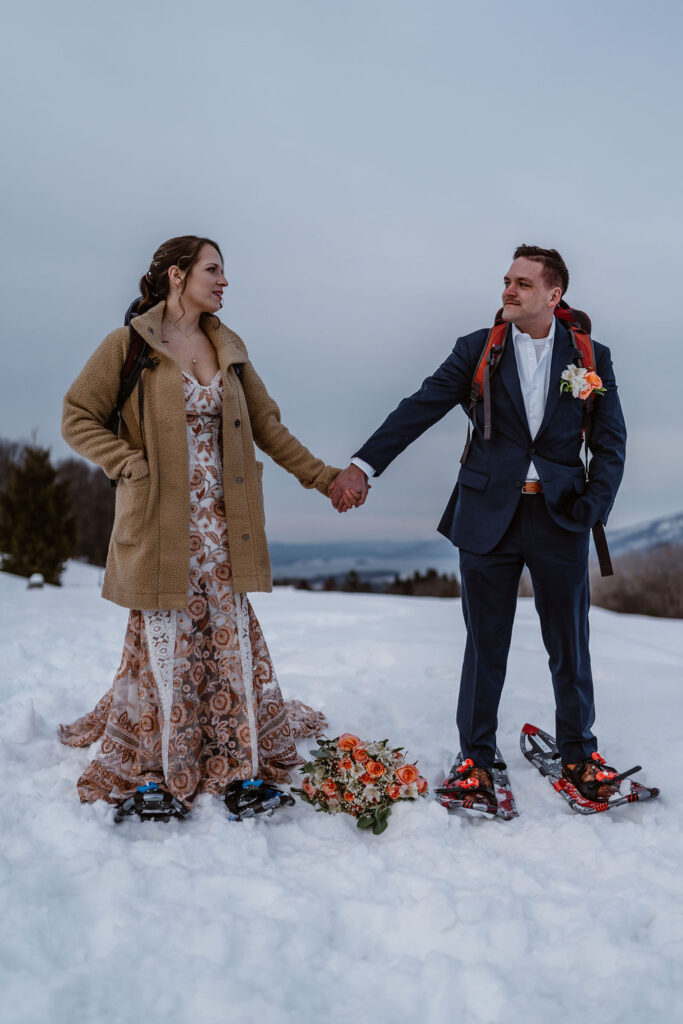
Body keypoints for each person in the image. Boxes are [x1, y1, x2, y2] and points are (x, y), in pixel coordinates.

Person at [329, 245, 627, 806]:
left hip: (562, 516)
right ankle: (476, 757)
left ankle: (580, 753)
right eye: (507, 280)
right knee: (485, 642)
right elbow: (420, 406)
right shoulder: (477, 350)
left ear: (553, 294)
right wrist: (363, 465)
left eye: (522, 283)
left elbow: (611, 440)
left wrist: (595, 506)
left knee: (570, 642)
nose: (508, 291)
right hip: (487, 514)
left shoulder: (590, 356)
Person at [59, 235, 341, 815]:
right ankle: (160, 765)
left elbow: (270, 429)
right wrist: (127, 463)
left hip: (223, 525)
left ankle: (237, 766)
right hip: (160, 522)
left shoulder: (230, 349)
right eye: (213, 270)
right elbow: (76, 416)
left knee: (230, 641)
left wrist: (326, 477)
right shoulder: (129, 345)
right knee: (166, 642)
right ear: (176, 275)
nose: (224, 281)